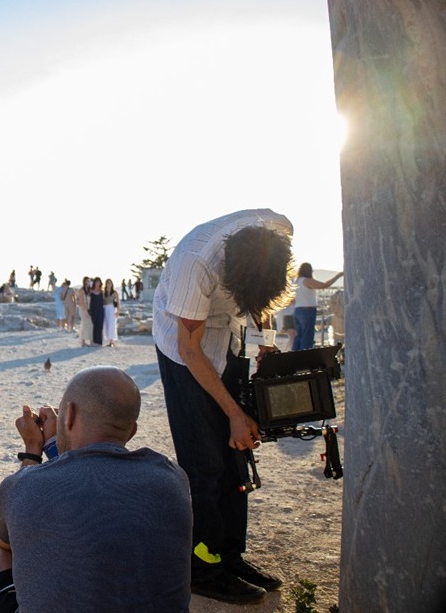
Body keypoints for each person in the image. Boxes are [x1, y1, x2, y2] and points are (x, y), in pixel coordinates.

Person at [152, 208, 293, 604]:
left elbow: (262, 292)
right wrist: (233, 413)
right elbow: (189, 350)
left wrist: (267, 339)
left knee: (237, 452)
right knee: (205, 460)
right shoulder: (194, 266)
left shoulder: (277, 231)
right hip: (183, 347)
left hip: (227, 335)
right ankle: (203, 567)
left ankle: (231, 556)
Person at [0, 367, 192, 613]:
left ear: (68, 416)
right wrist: (56, 446)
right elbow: (88, 474)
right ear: (132, 431)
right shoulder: (173, 478)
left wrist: (33, 449)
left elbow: (9, 542)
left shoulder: (23, 485)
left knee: (0, 561)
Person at [293, 263, 343, 351]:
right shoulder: (307, 281)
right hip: (307, 310)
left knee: (298, 337)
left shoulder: (297, 281)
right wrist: (337, 276)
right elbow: (324, 285)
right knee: (307, 338)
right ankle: (304, 359)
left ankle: (294, 358)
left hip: (298, 310)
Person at [76, 276, 93, 347]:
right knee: (84, 324)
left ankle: (90, 340)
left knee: (89, 324)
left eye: (90, 281)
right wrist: (85, 311)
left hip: (89, 308)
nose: (89, 282)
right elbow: (81, 302)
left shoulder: (89, 290)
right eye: (87, 281)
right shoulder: (81, 290)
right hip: (83, 309)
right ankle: (83, 341)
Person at [103, 278, 120, 347]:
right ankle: (108, 340)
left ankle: (111, 341)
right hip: (105, 308)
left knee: (112, 325)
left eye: (110, 283)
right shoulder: (104, 292)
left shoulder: (114, 292)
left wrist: (118, 311)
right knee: (106, 324)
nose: (109, 284)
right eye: (108, 283)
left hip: (112, 309)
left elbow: (118, 302)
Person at [88, 276, 105, 346]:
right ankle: (93, 341)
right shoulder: (91, 292)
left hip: (101, 310)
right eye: (96, 282)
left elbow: (104, 301)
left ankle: (99, 342)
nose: (98, 283)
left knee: (100, 326)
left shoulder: (102, 292)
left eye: (99, 282)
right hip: (93, 310)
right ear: (94, 283)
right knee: (93, 326)